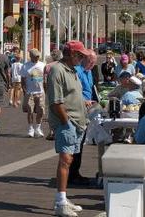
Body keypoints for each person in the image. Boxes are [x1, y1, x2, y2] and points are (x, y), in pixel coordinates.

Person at [47, 41, 90, 216]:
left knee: (69, 160)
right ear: (71, 54)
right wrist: (66, 122)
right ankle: (60, 202)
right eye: (80, 55)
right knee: (65, 160)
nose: (83, 58)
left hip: (77, 121)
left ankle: (63, 199)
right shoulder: (58, 70)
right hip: (68, 122)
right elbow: (55, 101)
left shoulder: (72, 71)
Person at [68, 50, 98, 186]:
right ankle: (71, 174)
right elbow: (74, 91)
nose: (92, 65)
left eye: (94, 63)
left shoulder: (89, 71)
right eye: (91, 62)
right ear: (85, 59)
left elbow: (90, 88)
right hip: (78, 108)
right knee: (75, 142)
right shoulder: (77, 71)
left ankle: (75, 172)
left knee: (81, 141)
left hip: (87, 109)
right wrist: (83, 101)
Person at [20, 49, 45, 137]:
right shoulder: (25, 66)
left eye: (38, 56)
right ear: (31, 56)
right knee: (30, 111)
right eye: (35, 56)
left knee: (41, 111)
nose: (37, 58)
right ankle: (30, 129)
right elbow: (22, 80)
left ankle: (38, 128)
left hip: (41, 92)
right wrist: (24, 91)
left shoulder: (43, 65)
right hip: (30, 92)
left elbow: (45, 79)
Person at [44, 49, 63, 140]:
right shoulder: (62, 66)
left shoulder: (47, 66)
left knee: (51, 111)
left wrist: (46, 90)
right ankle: (59, 130)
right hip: (61, 91)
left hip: (50, 91)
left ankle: (52, 131)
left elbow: (44, 81)